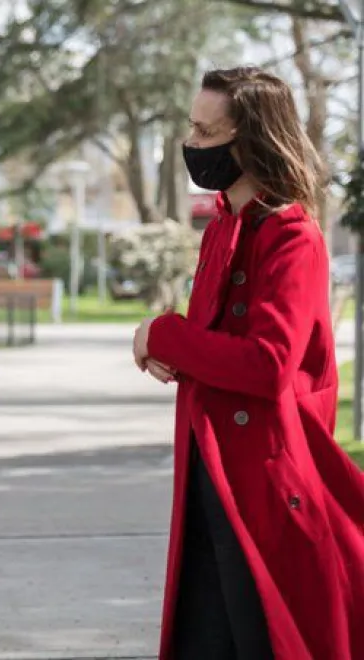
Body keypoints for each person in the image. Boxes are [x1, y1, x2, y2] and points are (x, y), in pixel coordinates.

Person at [133, 66, 364, 660]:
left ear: (252, 140)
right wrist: (170, 349)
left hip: (265, 478)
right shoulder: (222, 228)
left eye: (209, 133)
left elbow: (267, 365)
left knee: (264, 638)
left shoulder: (293, 236)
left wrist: (165, 333)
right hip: (210, 465)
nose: (194, 144)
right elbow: (218, 342)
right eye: (193, 127)